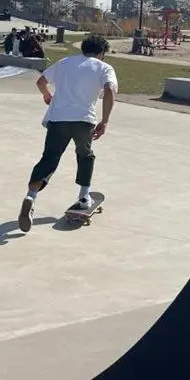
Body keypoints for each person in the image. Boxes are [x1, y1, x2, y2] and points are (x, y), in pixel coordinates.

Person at [19, 33, 117, 232]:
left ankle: (31, 196)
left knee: (49, 159)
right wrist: (105, 120)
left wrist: (47, 96)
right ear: (101, 53)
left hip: (58, 120)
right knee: (85, 156)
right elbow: (110, 90)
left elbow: (41, 82)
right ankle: (84, 196)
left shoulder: (64, 62)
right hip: (83, 120)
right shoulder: (104, 67)